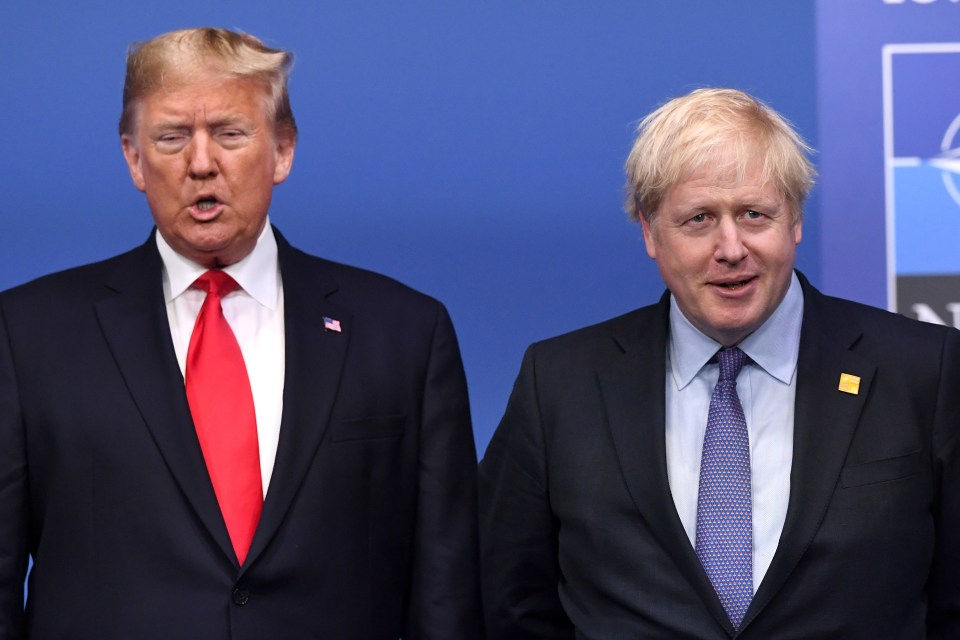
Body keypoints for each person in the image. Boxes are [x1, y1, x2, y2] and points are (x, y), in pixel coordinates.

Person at [0, 27, 483, 639]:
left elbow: (448, 589)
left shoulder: (406, 333)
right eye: (172, 137)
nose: (202, 163)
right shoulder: (26, 334)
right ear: (133, 158)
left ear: (282, 150)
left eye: (229, 134)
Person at [478, 88, 960, 638]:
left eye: (754, 214)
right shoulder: (559, 383)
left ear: (795, 220)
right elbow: (512, 604)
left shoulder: (927, 371)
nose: (731, 248)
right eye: (699, 219)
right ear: (650, 232)